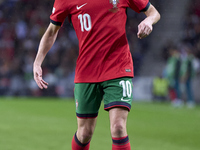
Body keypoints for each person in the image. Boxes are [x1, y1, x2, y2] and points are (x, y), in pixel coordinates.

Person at [33, 0, 160, 149]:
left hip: (118, 67)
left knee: (118, 127)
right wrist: (37, 62)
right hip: (87, 70)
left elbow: (154, 12)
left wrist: (149, 20)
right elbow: (51, 32)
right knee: (85, 133)